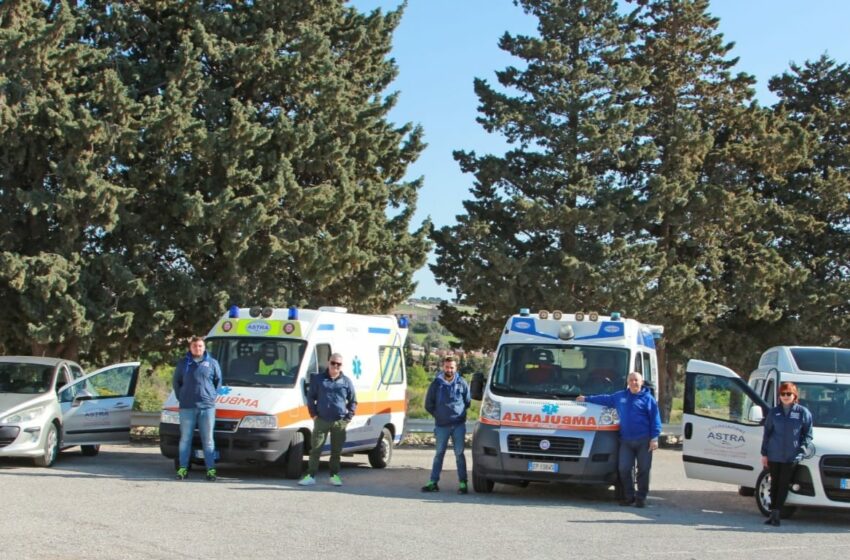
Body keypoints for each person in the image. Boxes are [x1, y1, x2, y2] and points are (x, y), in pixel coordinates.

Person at [577, 371, 661, 507]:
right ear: (628, 382)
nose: (634, 383)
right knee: (624, 469)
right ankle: (629, 497)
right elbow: (604, 399)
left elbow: (655, 419)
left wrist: (654, 438)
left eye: (636, 380)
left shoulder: (648, 399)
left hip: (644, 441)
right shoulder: (620, 396)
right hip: (626, 441)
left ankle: (641, 498)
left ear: (641, 382)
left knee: (644, 469)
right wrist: (586, 399)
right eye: (631, 380)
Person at [299, 353, 357, 487]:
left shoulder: (346, 381)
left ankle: (334, 476)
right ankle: (311, 475)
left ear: (341, 366)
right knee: (316, 449)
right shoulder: (318, 379)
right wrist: (313, 415)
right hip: (321, 420)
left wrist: (347, 418)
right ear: (328, 362)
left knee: (336, 451)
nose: (335, 366)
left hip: (339, 422)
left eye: (338, 364)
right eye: (333, 363)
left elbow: (353, 400)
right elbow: (310, 398)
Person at [760, 381, 813, 526]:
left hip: (791, 456)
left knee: (784, 484)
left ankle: (777, 513)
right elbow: (767, 433)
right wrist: (764, 454)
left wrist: (801, 451)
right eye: (782, 394)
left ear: (794, 395)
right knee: (774, 484)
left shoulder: (802, 412)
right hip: (774, 454)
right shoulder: (774, 412)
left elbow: (808, 435)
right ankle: (773, 513)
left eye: (788, 393)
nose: (785, 396)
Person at [172, 336, 222, 481]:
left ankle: (211, 470)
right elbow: (176, 382)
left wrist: (211, 396)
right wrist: (182, 397)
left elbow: (218, 382)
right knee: (185, 439)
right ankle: (182, 469)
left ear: (204, 347)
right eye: (195, 346)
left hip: (207, 407)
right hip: (187, 407)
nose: (197, 348)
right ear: (190, 348)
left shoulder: (212, 363)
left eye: (200, 346)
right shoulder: (183, 364)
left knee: (208, 440)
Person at [421, 356, 472, 494]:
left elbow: (467, 402)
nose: (449, 370)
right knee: (439, 454)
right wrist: (439, 415)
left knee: (459, 454)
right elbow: (428, 404)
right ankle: (433, 482)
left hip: (458, 425)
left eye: (452, 367)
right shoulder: (436, 384)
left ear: (456, 368)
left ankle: (463, 483)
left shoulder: (462, 383)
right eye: (447, 367)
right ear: (443, 367)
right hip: (442, 426)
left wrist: (458, 414)